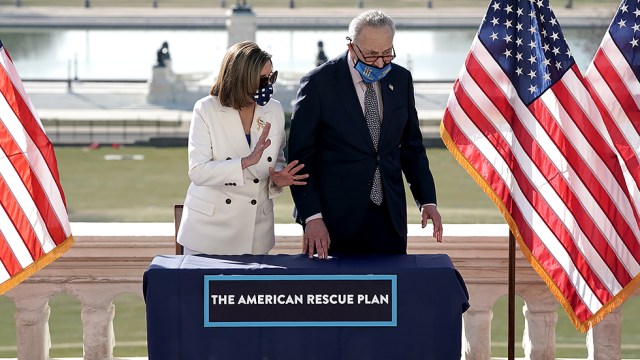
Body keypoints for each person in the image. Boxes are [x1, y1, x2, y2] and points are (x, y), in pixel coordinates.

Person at [288, 10, 442, 259]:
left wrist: (427, 200)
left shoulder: (401, 79)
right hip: (332, 221)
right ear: (351, 46)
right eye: (371, 55)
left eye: (386, 53)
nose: (381, 63)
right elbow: (300, 158)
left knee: (389, 294)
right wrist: (312, 217)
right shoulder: (318, 83)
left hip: (389, 218)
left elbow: (412, 147)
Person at [177, 41, 308, 255]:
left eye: (271, 77)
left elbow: (276, 160)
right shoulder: (206, 109)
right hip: (208, 235)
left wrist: (278, 178)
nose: (269, 85)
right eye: (263, 79)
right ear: (241, 79)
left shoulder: (273, 110)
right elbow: (198, 172)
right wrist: (245, 162)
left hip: (256, 234)